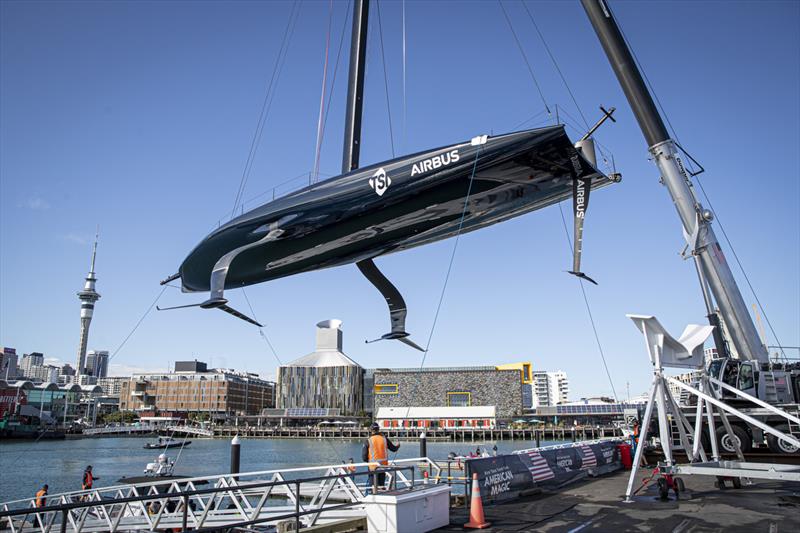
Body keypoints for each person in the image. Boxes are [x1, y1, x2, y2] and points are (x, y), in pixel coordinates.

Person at [361, 423, 399, 491]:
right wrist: (398, 446)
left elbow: (364, 457)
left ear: (371, 430)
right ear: (378, 429)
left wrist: (369, 461)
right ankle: (382, 497)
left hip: (373, 467)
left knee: (373, 487)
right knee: (381, 486)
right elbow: (394, 449)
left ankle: (373, 498)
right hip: (383, 467)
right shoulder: (384, 439)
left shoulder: (368, 441)